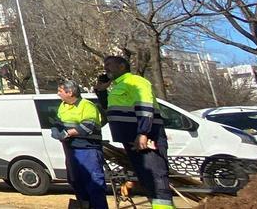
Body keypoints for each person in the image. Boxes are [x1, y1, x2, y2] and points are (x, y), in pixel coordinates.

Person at [96, 56, 173, 209]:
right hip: (131, 140)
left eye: (109, 64)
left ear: (122, 66)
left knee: (156, 179)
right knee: (147, 180)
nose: (106, 68)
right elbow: (110, 110)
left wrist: (143, 132)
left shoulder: (136, 81)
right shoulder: (116, 87)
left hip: (146, 139)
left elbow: (145, 107)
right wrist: (101, 91)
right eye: (105, 65)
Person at [53, 80, 107, 209]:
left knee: (94, 185)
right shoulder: (63, 106)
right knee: (77, 183)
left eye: (60, 91)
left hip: (88, 150)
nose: (57, 94)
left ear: (70, 92)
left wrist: (67, 133)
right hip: (71, 150)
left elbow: (88, 126)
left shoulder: (86, 105)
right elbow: (57, 123)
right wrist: (56, 131)